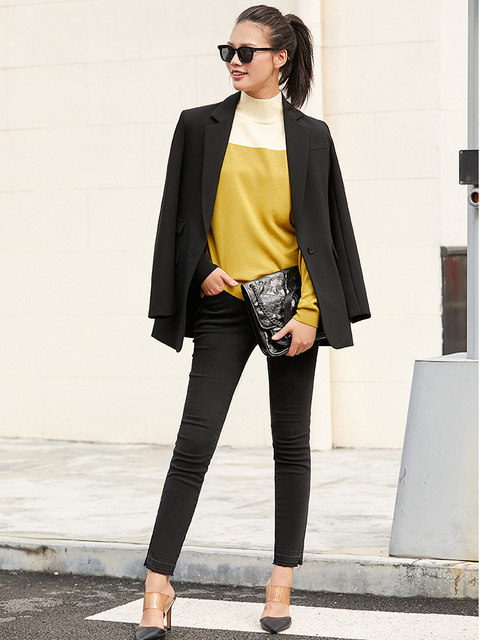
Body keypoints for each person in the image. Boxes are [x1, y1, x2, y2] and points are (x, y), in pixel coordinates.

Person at [135, 5, 371, 639]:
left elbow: (323, 236)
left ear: (280, 58)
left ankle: (280, 581)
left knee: (291, 447)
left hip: (290, 309)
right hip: (222, 305)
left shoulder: (312, 137)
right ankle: (157, 583)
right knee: (193, 444)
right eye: (228, 51)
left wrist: (311, 314)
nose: (234, 61)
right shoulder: (199, 126)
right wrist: (202, 271)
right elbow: (177, 219)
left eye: (246, 52)